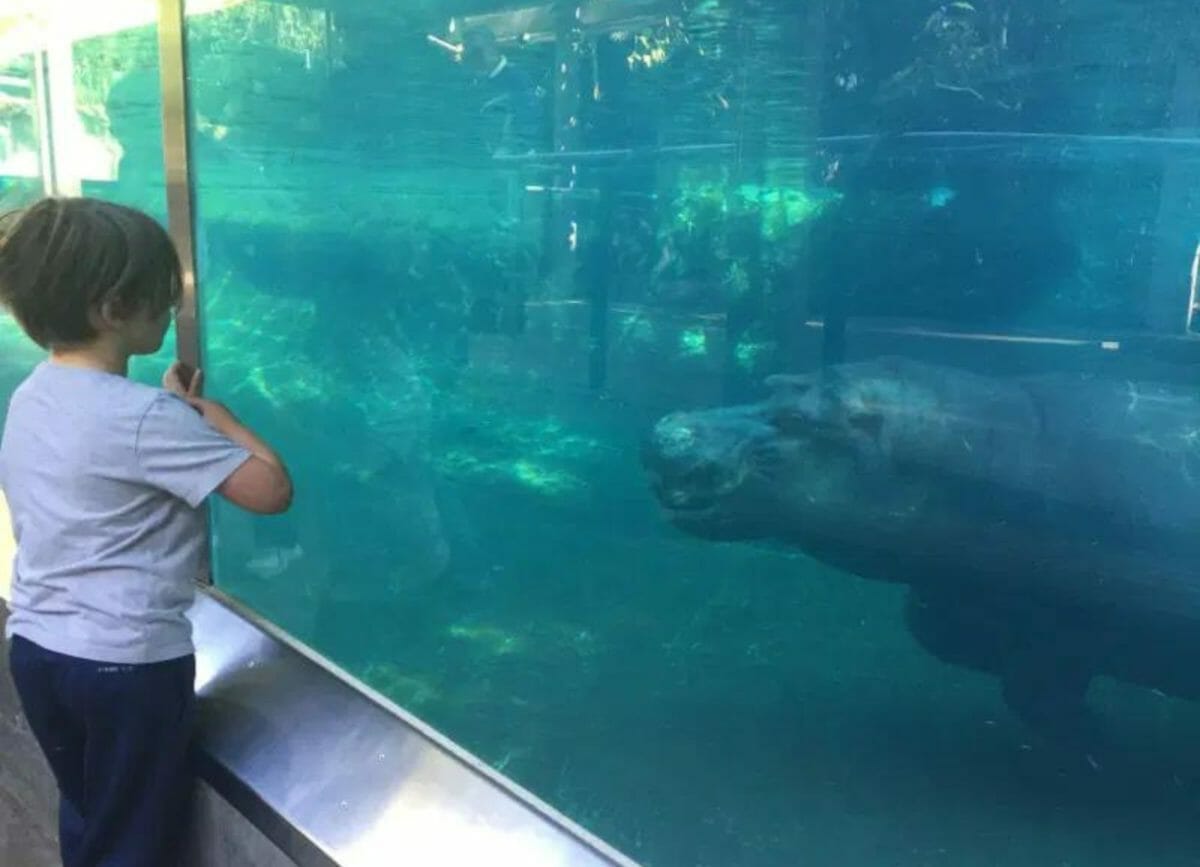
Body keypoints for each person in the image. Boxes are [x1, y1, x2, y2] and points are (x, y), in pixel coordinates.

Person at [0, 197, 293, 866]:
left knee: (90, 808)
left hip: (39, 648)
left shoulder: (31, 394)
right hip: (125, 665)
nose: (172, 310)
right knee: (134, 834)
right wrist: (211, 415)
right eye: (161, 298)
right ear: (111, 309)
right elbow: (269, 489)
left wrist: (168, 410)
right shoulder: (149, 420)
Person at [459, 26, 545, 156]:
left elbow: (528, 120)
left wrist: (523, 150)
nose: (472, 58)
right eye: (467, 53)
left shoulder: (518, 78)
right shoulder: (471, 84)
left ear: (492, 48)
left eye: (476, 52)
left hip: (510, 159)